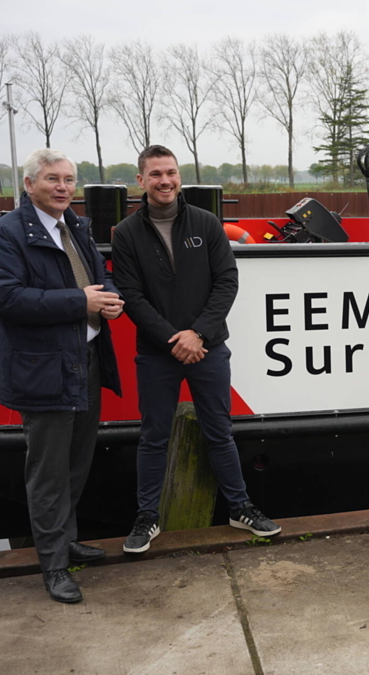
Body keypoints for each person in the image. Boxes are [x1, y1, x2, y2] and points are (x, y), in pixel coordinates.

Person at [112, 144, 280, 554]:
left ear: (179, 176)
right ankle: (147, 516)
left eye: (170, 172)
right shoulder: (126, 234)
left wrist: (199, 335)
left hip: (208, 349)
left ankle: (240, 508)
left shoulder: (207, 224)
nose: (164, 180)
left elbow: (227, 282)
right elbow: (132, 297)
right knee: (153, 437)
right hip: (157, 353)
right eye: (155, 174)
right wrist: (174, 339)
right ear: (141, 180)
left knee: (219, 432)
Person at [0, 148, 124, 603]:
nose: (63, 187)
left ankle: (66, 539)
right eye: (51, 179)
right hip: (43, 368)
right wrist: (80, 303)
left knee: (77, 461)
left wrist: (111, 297)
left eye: (68, 180)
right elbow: (7, 299)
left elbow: (98, 276)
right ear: (29, 185)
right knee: (47, 469)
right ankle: (55, 566)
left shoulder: (73, 227)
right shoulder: (5, 235)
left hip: (84, 358)